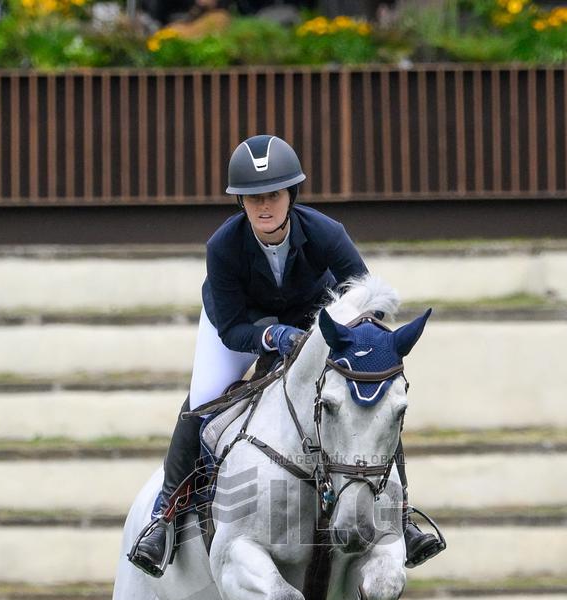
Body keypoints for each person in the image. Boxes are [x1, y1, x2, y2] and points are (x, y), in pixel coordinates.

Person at [130, 134, 443, 576]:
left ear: (290, 195)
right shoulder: (222, 246)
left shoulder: (325, 233)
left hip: (313, 319)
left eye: (273, 195)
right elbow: (232, 325)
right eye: (254, 197)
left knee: (371, 400)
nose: (264, 207)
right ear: (240, 201)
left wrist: (367, 351)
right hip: (240, 324)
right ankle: (163, 518)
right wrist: (271, 336)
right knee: (201, 401)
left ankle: (404, 516)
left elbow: (367, 296)